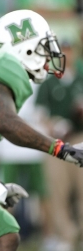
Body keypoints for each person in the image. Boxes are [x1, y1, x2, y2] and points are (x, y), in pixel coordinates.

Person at [0, 9, 83, 251]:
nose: (50, 54)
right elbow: (5, 122)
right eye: (43, 47)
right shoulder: (6, 65)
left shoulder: (0, 68)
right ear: (26, 49)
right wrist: (59, 148)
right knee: (3, 235)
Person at [35, 39, 83, 251]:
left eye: (69, 49)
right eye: (63, 50)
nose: (67, 54)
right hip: (58, 142)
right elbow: (41, 114)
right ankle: (66, 235)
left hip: (81, 137)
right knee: (57, 190)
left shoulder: (81, 78)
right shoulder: (50, 81)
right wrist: (54, 123)